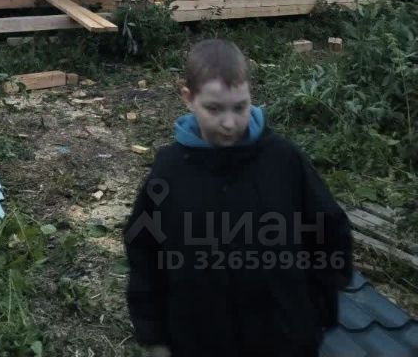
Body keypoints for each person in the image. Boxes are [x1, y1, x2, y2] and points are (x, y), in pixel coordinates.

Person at [124, 38, 352, 357]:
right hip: (198, 342)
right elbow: (144, 254)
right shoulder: (170, 171)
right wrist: (154, 336)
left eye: (240, 107)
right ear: (188, 99)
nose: (229, 123)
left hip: (283, 341)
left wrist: (315, 312)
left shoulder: (284, 161)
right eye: (214, 109)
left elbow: (331, 231)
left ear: (251, 97)